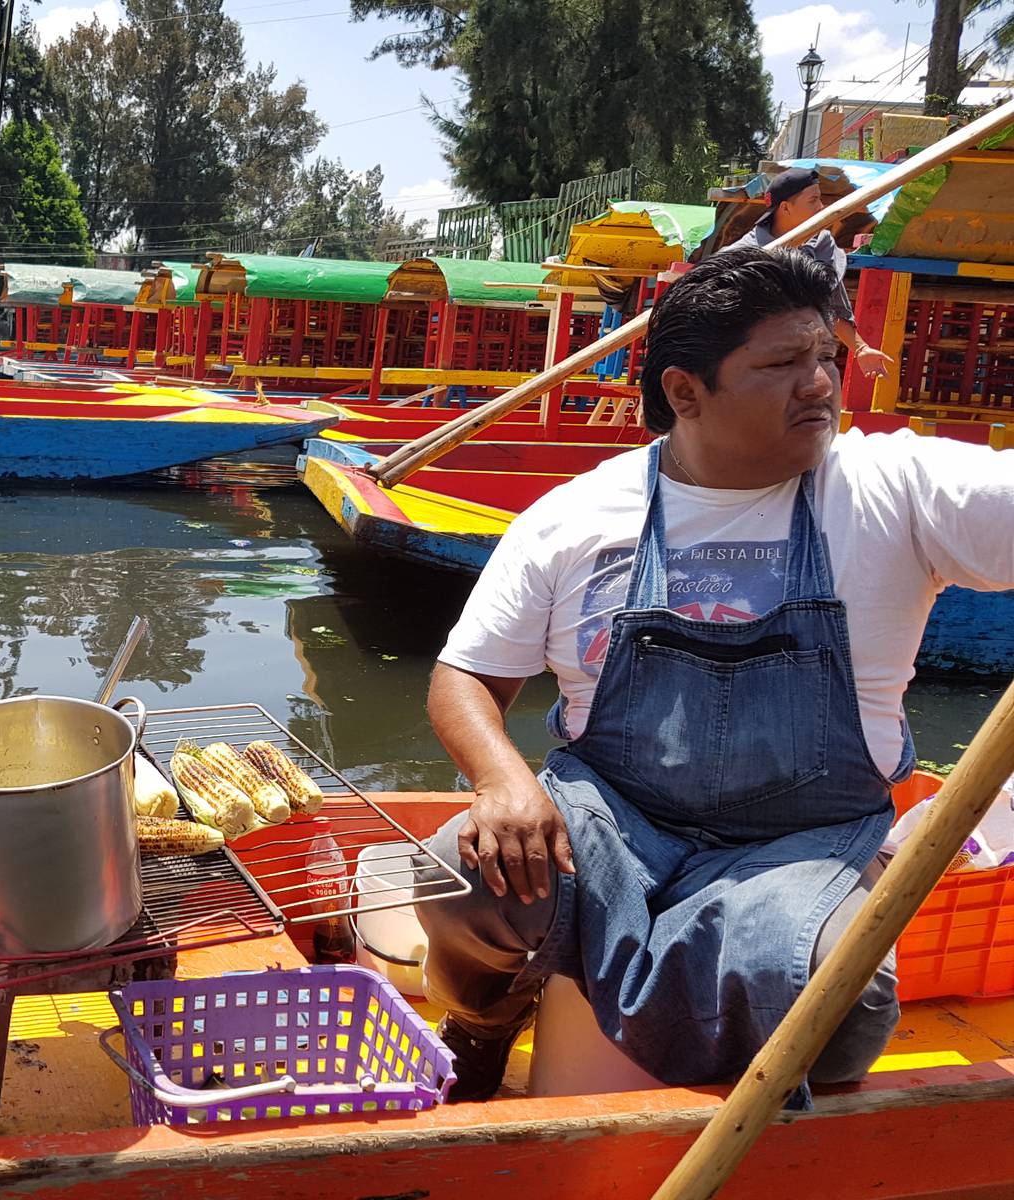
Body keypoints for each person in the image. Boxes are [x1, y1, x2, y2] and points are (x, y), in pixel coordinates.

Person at [419, 246, 1014, 1103]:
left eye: (827, 359)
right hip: (611, 822)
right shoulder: (576, 517)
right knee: (462, 877)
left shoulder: (897, 486)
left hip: (800, 845)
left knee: (846, 1005)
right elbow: (465, 676)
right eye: (782, 363)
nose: (820, 385)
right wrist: (502, 779)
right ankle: (482, 1023)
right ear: (684, 391)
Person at [721, 167, 893, 383]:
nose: (821, 207)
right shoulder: (744, 254)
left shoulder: (822, 246)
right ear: (785, 208)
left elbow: (831, 307)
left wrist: (861, 349)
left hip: (801, 366)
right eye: (813, 200)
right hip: (752, 368)